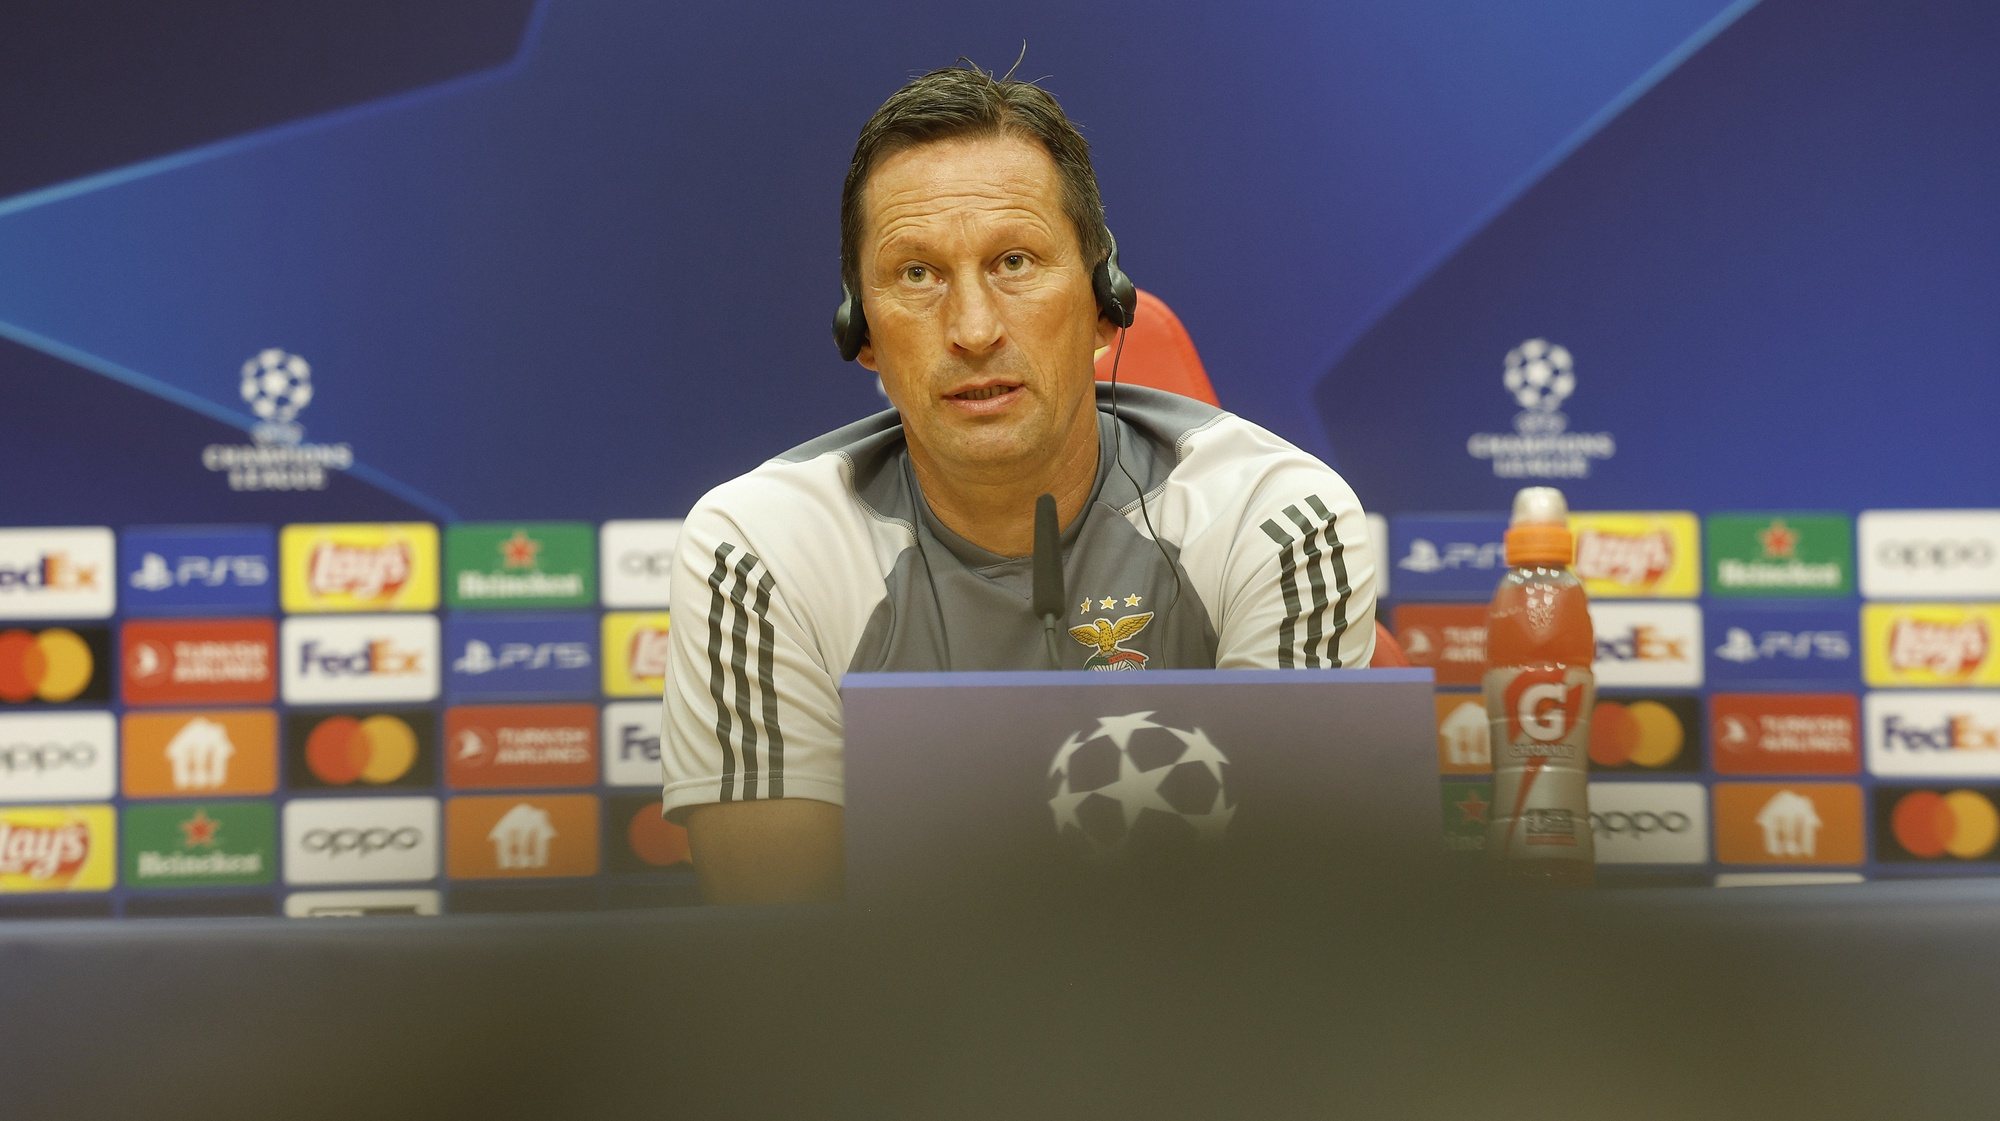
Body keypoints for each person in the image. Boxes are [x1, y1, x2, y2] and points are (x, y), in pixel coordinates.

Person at [660, 64, 1377, 903]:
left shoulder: (1279, 521)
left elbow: (1296, 915)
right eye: (917, 275)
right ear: (862, 332)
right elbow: (783, 945)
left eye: (1014, 260)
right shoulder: (760, 550)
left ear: (1106, 306)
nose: (971, 329)